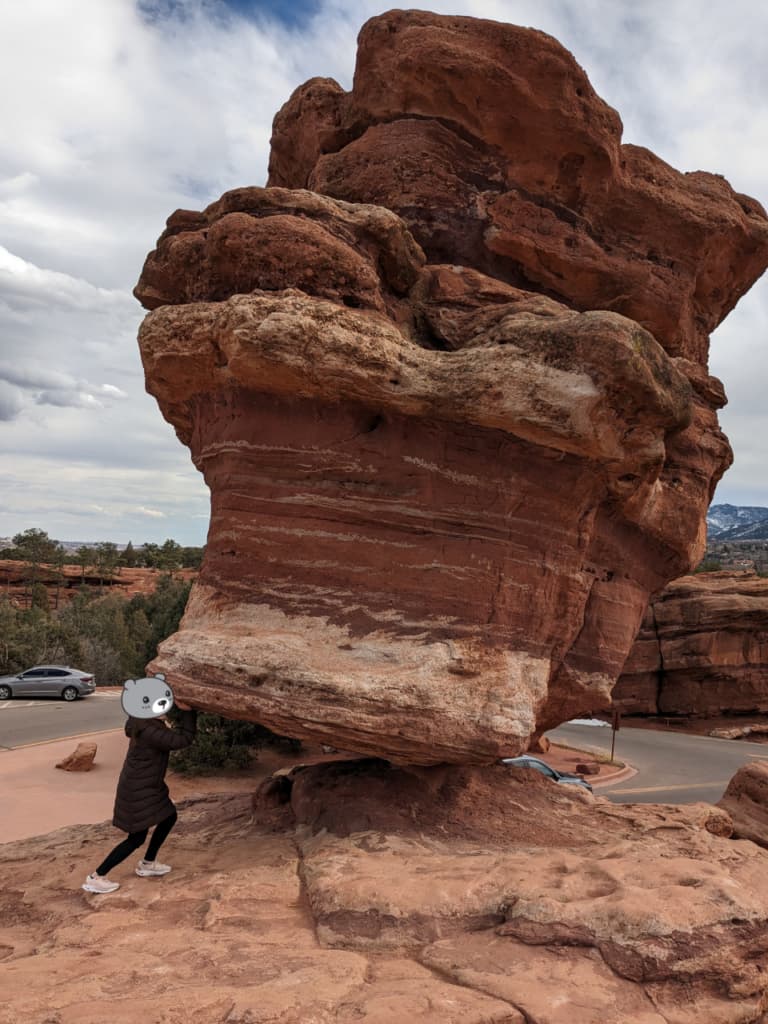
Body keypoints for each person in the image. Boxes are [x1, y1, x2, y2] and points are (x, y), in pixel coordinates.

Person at [82, 697, 197, 894]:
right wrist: (188, 711)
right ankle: (96, 877)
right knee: (136, 838)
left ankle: (148, 862)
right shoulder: (150, 730)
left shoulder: (143, 722)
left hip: (146, 785)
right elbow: (183, 740)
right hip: (140, 789)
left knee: (169, 816)